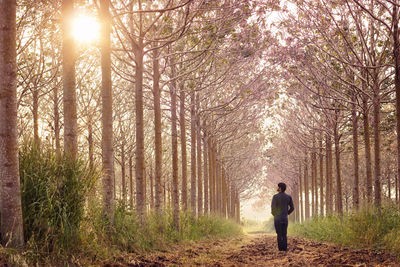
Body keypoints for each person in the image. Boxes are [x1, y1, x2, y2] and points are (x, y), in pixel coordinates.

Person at [271, 182, 294, 251]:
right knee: (284, 234)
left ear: (280, 188)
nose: (277, 188)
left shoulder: (275, 197)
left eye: (278, 187)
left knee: (279, 234)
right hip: (285, 218)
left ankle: (280, 249)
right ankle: (285, 248)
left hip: (277, 218)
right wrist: (287, 213)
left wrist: (275, 214)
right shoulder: (288, 197)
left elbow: (273, 207)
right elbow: (292, 208)